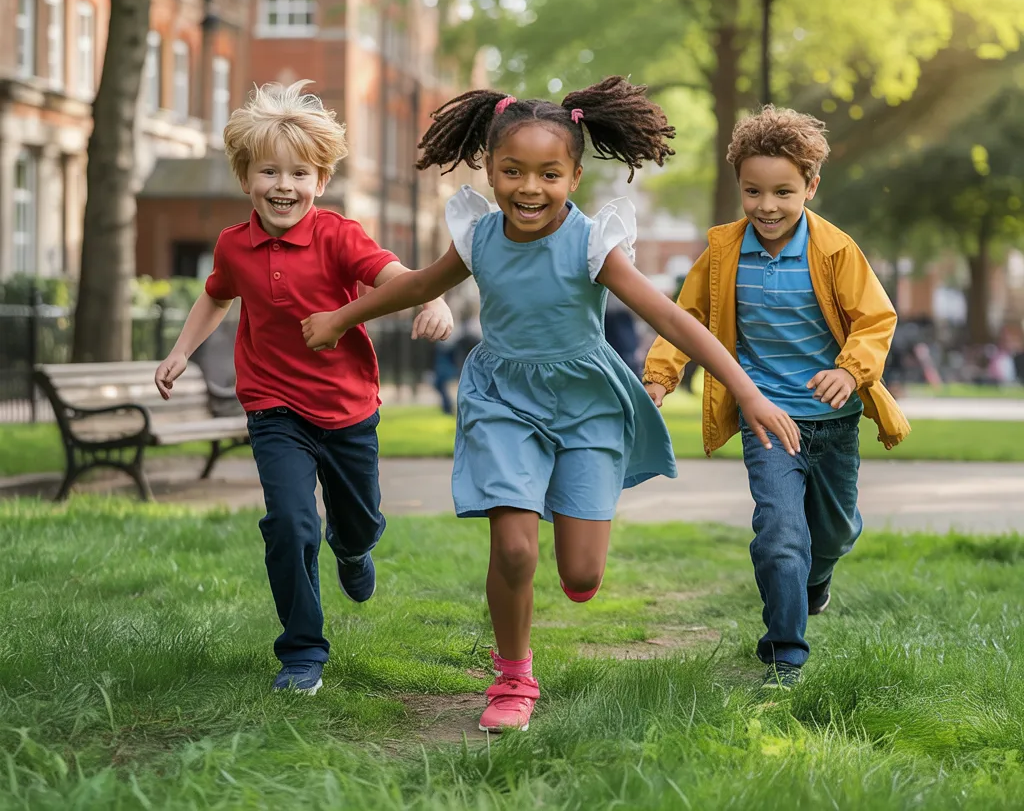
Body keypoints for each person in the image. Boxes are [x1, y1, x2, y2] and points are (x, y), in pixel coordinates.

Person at [301, 77, 801, 731]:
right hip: (503, 400)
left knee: (581, 572)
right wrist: (343, 317)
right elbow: (421, 283)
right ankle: (512, 678)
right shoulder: (479, 237)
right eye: (512, 171)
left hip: (586, 403)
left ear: (573, 174)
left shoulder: (592, 244)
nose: (528, 188)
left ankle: (579, 559)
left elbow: (672, 321)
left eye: (548, 174)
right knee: (513, 550)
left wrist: (746, 390)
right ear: (489, 167)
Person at [153, 81, 452, 696]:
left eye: (299, 173)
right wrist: (181, 351)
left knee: (360, 524)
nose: (283, 185)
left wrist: (436, 299)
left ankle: (353, 545)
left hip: (346, 409)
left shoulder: (340, 236)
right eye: (269, 171)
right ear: (245, 178)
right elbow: (216, 294)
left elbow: (392, 277)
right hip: (272, 406)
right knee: (289, 523)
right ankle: (302, 653)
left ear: (321, 180)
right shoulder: (235, 244)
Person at [642, 106, 910, 690]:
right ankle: (784, 655)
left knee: (834, 533)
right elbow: (683, 319)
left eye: (784, 191)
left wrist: (852, 371)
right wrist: (660, 376)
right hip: (768, 419)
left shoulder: (835, 251)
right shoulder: (723, 252)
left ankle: (818, 582)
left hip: (834, 422)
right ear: (739, 186)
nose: (767, 205)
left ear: (811, 187)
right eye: (753, 191)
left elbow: (875, 319)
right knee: (780, 536)